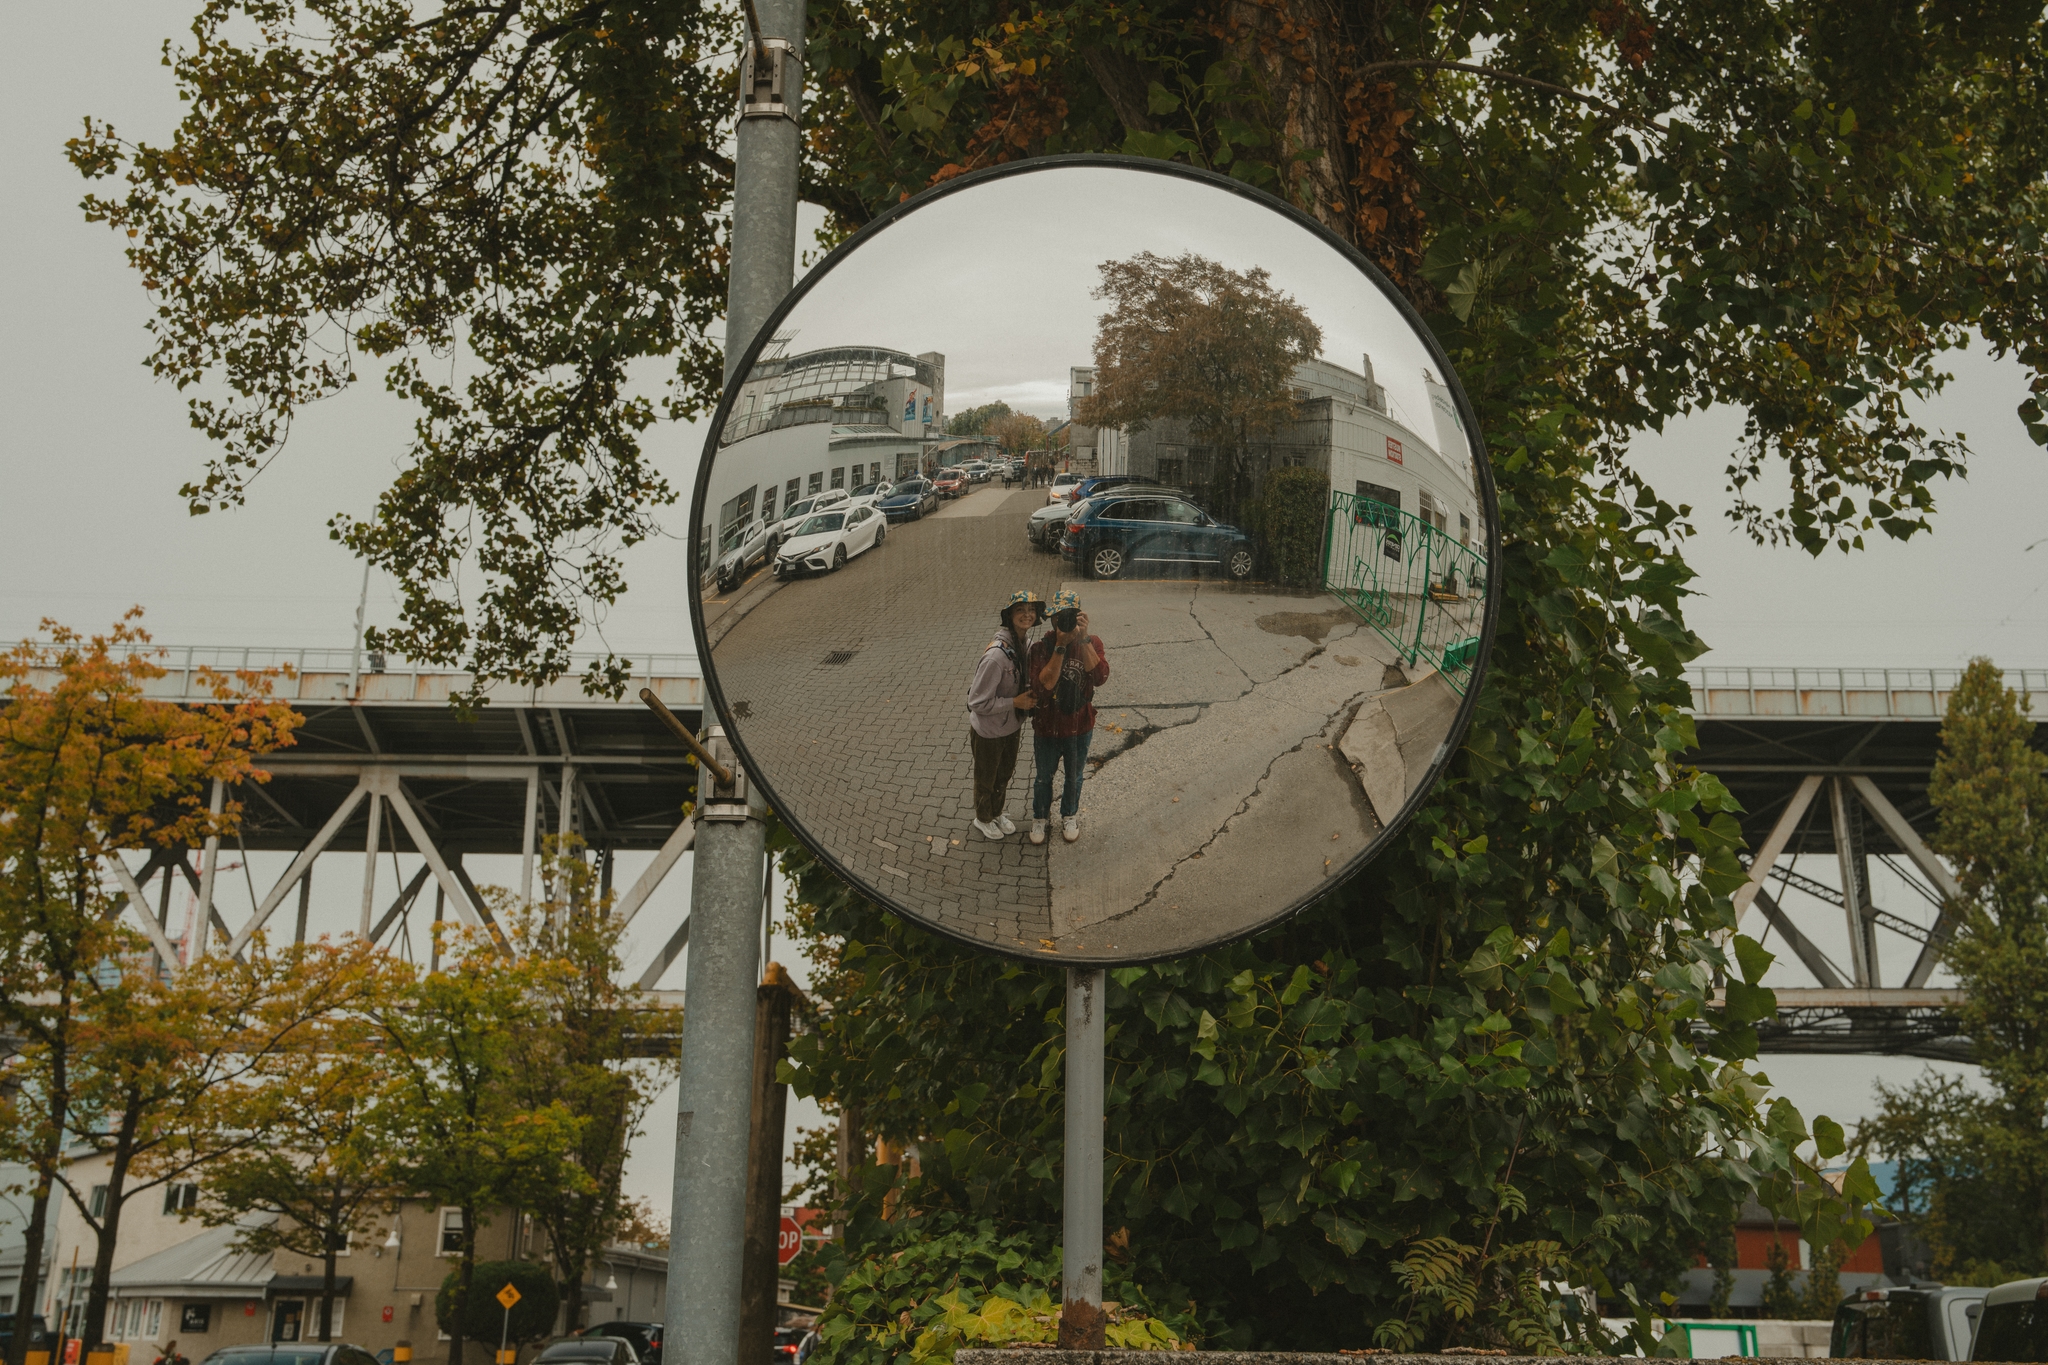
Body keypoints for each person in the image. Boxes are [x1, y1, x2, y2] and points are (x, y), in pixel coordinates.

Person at [1025, 588, 1109, 844]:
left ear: (1081, 618)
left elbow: (1100, 677)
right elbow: (1044, 686)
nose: (1065, 622)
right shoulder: (1042, 647)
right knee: (1043, 778)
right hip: (1047, 727)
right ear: (1052, 619)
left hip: (1079, 726)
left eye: (1070, 617)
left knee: (1074, 777)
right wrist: (1060, 646)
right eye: (1060, 617)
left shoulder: (1092, 642)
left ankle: (1069, 814)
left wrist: (1082, 640)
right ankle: (1040, 817)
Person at [965, 589, 1043, 839]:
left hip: (1011, 726)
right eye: (1020, 610)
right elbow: (976, 702)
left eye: (1031, 610)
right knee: (986, 777)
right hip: (989, 731)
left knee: (1004, 773)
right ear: (1009, 616)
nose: (1027, 614)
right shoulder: (996, 656)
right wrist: (1015, 702)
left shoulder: (1025, 645)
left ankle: (996, 812)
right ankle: (983, 818)